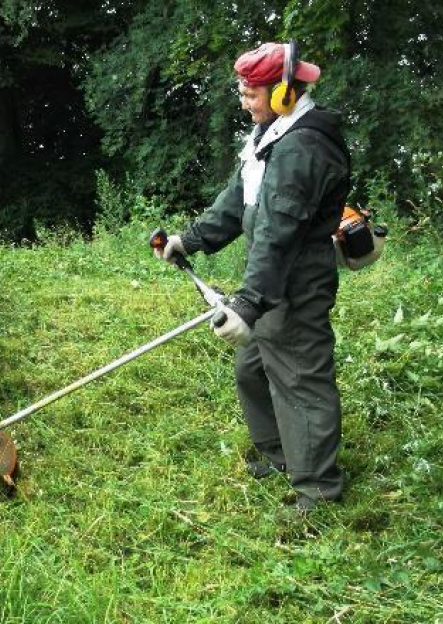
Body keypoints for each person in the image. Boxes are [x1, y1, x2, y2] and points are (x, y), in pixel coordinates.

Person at [154, 42, 351, 513]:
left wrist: (249, 301)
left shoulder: (303, 146)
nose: (244, 102)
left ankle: (318, 491)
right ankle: (282, 455)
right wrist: (191, 240)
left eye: (252, 94)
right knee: (253, 368)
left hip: (297, 277)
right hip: (273, 274)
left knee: (300, 377)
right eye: (241, 92)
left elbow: (280, 233)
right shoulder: (271, 134)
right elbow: (239, 199)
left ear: (285, 92)